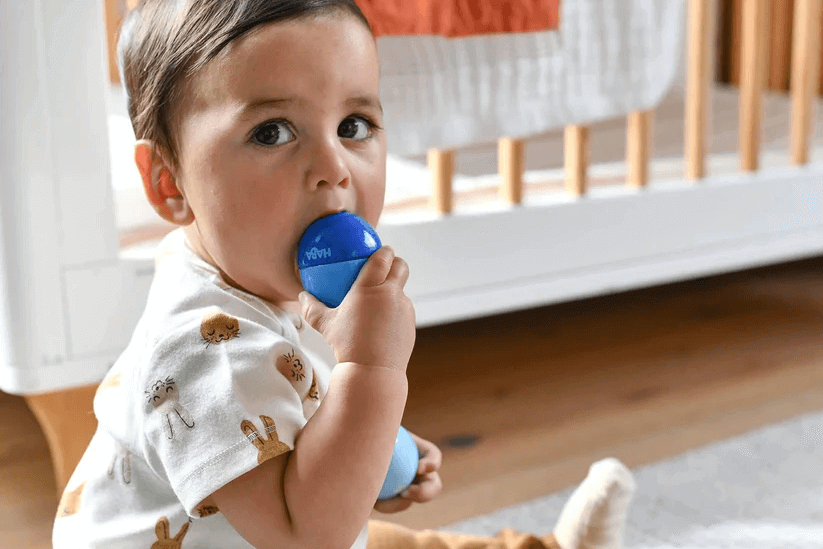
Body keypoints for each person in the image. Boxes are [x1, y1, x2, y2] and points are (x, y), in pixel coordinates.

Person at [53, 1, 636, 547]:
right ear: (169, 183)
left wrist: (382, 447)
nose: (332, 168)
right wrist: (374, 370)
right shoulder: (201, 352)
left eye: (354, 125)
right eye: (272, 132)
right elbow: (307, 536)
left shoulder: (246, 271)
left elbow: (297, 400)